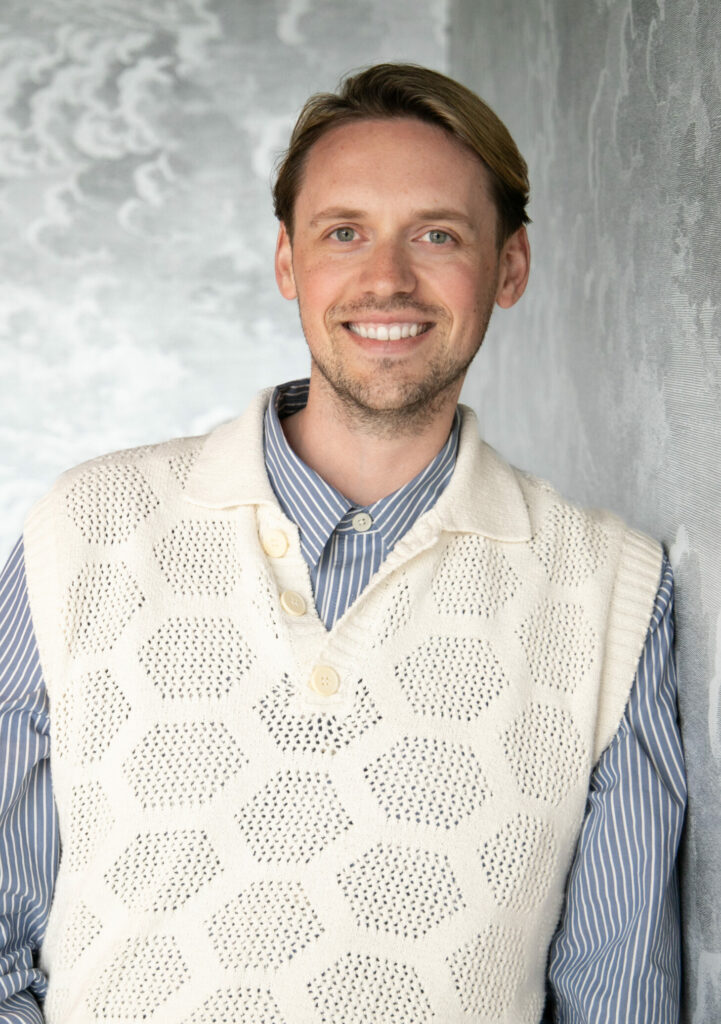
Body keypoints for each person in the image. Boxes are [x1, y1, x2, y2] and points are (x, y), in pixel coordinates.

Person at [0, 63, 685, 1024]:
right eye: (343, 233)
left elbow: (618, 989)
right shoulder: (84, 529)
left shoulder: (611, 590)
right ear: (288, 262)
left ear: (509, 266)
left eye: (437, 235)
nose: (386, 279)